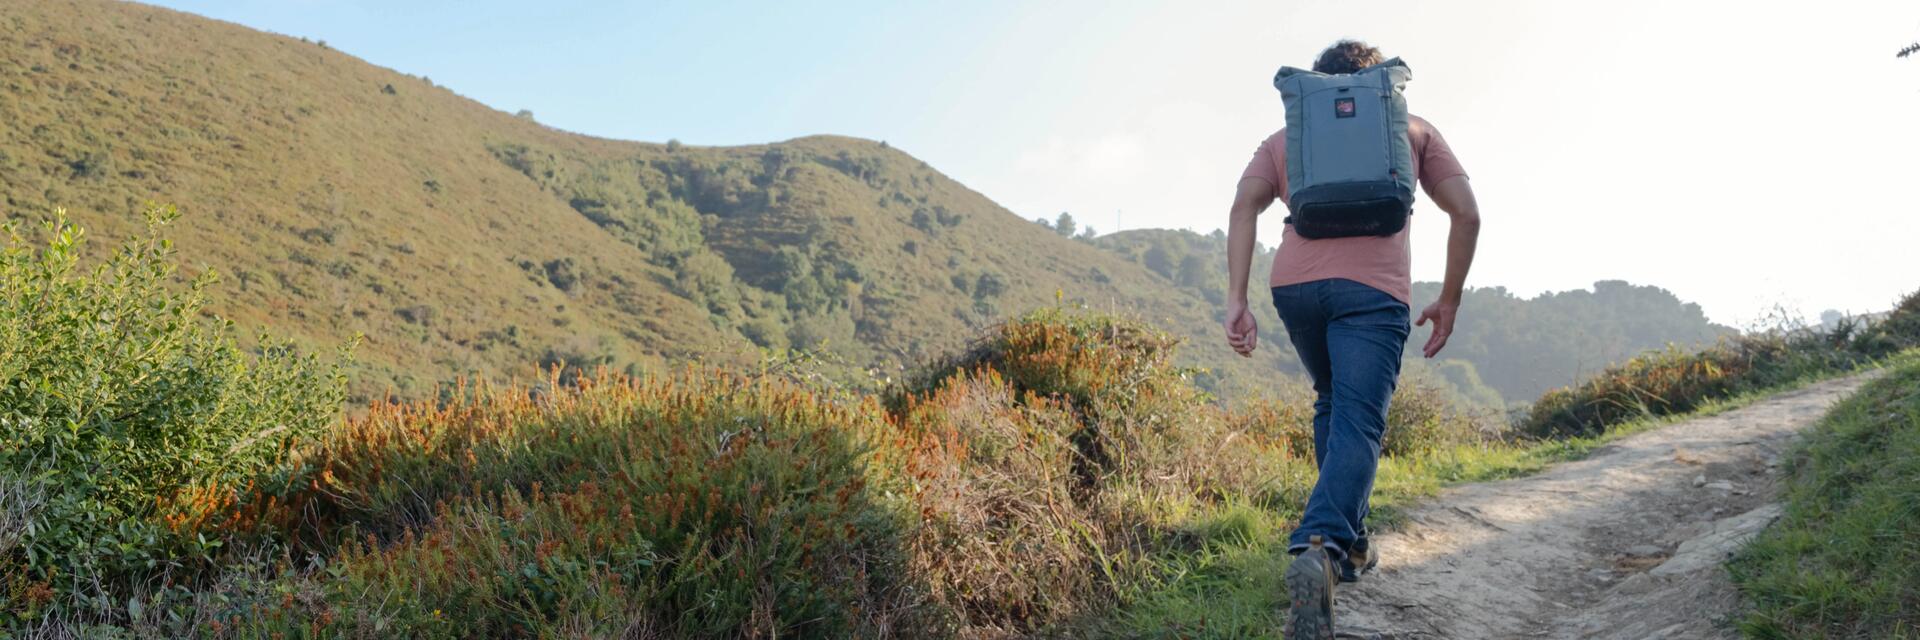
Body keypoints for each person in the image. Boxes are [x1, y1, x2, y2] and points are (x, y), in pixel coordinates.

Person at [1221, 39, 1481, 637]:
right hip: (1374, 294)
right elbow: (1467, 214)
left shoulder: (1289, 136)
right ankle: (1322, 545)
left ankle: (1353, 543)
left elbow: (1243, 207)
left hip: (1297, 291)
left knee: (1334, 403)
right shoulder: (1411, 130)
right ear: (1377, 86)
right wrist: (1449, 298)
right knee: (1360, 419)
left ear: (1320, 82)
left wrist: (1237, 300)